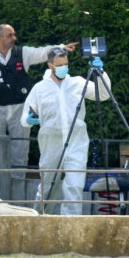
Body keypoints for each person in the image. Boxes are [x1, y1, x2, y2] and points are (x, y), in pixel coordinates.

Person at [22, 46, 111, 215]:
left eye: (66, 63)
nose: (64, 67)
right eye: (59, 64)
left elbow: (104, 94)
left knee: (74, 186)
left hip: (76, 143)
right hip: (51, 144)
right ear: (50, 65)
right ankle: (39, 222)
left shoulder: (77, 83)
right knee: (47, 188)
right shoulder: (40, 88)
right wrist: (28, 120)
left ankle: (70, 226)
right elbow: (25, 118)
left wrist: (101, 73)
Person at [0, 24, 76, 182]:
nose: (14, 38)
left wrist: (59, 47)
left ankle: (18, 185)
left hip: (19, 108)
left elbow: (41, 52)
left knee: (20, 149)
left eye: (14, 35)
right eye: (10, 35)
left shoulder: (21, 53)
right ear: (0, 38)